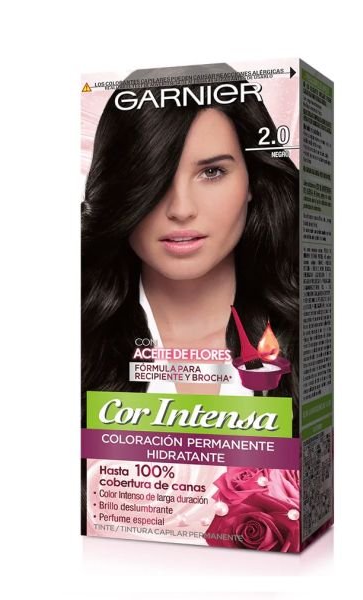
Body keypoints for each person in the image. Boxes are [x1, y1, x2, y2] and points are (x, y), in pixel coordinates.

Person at [82, 64, 299, 416]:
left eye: (212, 172)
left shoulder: (307, 333)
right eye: (155, 174)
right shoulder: (81, 335)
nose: (181, 209)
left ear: (251, 181)